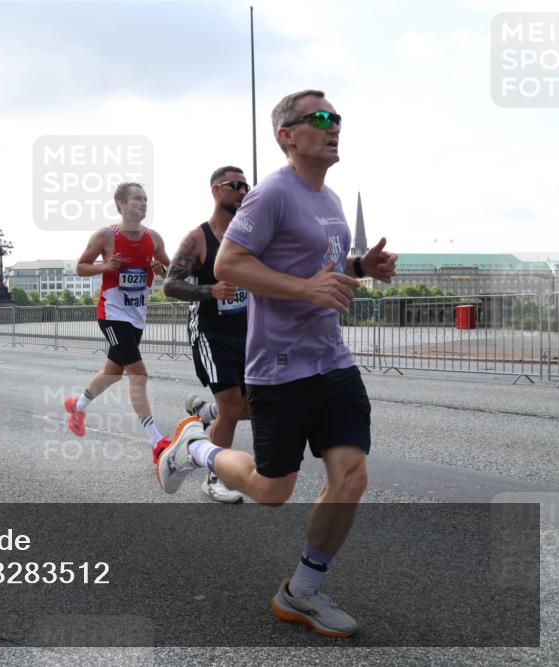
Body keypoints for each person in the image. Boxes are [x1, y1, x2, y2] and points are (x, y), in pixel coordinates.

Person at [156, 90, 398, 638]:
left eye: (336, 117)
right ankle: (194, 447)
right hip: (279, 369)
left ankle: (302, 592)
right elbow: (230, 263)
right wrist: (305, 290)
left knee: (352, 477)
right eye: (320, 118)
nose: (333, 125)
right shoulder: (269, 196)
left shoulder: (330, 200)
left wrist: (363, 264)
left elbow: (323, 266)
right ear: (287, 134)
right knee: (272, 491)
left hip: (332, 362)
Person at [63, 183, 171, 461]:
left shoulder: (154, 238)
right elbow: (80, 267)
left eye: (146, 199)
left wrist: (161, 268)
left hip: (136, 317)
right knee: (139, 373)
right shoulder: (106, 236)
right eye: (137, 199)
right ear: (121, 204)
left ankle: (78, 404)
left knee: (113, 372)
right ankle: (156, 441)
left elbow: (169, 269)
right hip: (111, 316)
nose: (143, 203)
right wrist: (105, 266)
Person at [162, 166, 251, 504]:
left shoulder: (250, 236)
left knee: (252, 409)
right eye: (235, 185)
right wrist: (211, 291)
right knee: (231, 407)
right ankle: (216, 478)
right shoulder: (198, 238)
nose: (242, 191)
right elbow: (170, 285)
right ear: (216, 190)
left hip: (247, 332)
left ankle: (203, 415)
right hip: (211, 333)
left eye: (246, 186)